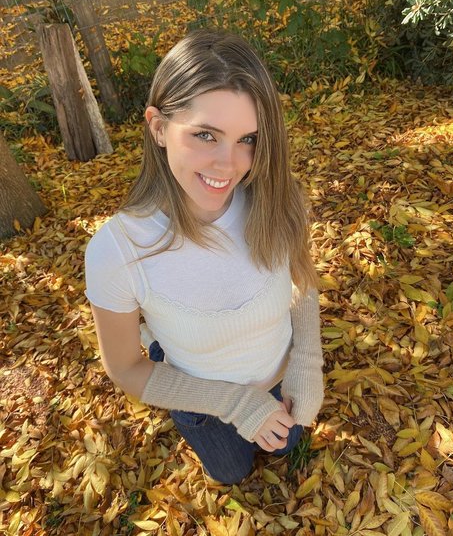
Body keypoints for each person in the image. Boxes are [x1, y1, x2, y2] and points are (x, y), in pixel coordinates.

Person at [85, 29, 324, 485]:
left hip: (283, 383)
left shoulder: (275, 197)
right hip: (204, 403)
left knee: (286, 446)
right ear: (158, 127)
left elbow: (301, 278)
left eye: (248, 139)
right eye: (206, 135)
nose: (229, 164)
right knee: (232, 473)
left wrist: (306, 362)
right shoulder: (118, 252)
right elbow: (125, 368)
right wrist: (235, 403)